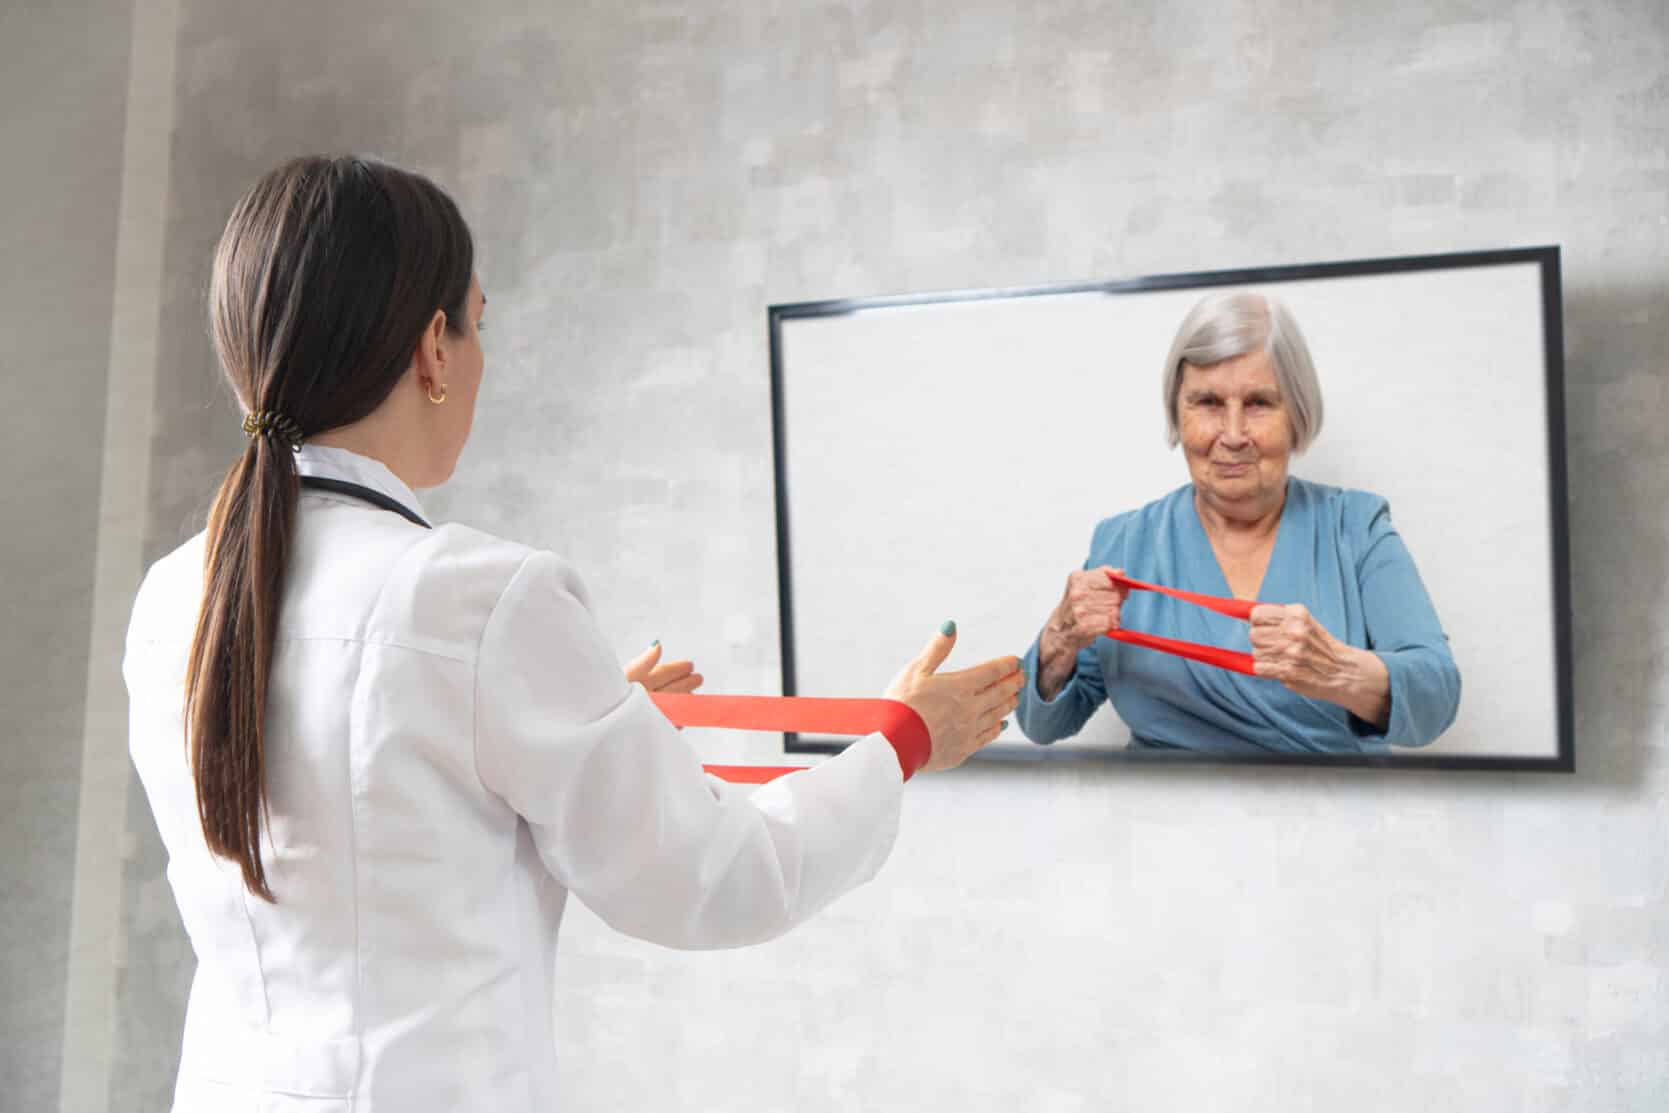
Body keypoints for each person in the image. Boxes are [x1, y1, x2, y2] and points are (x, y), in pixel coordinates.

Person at [124, 155, 1024, 1112]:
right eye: (478, 323)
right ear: (434, 350)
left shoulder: (171, 598)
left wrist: (597, 720)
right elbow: (716, 877)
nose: (479, 356)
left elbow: (374, 808)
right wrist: (904, 738)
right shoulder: (479, 599)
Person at [1016, 290, 1460, 755]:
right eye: (1208, 402)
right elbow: (1043, 722)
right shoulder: (1126, 543)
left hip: (1332, 801)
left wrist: (1337, 671)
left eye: (1258, 403)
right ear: (1177, 413)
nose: (1232, 435)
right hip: (1162, 802)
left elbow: (1437, 698)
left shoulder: (1355, 528)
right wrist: (1059, 639)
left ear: (1297, 415)